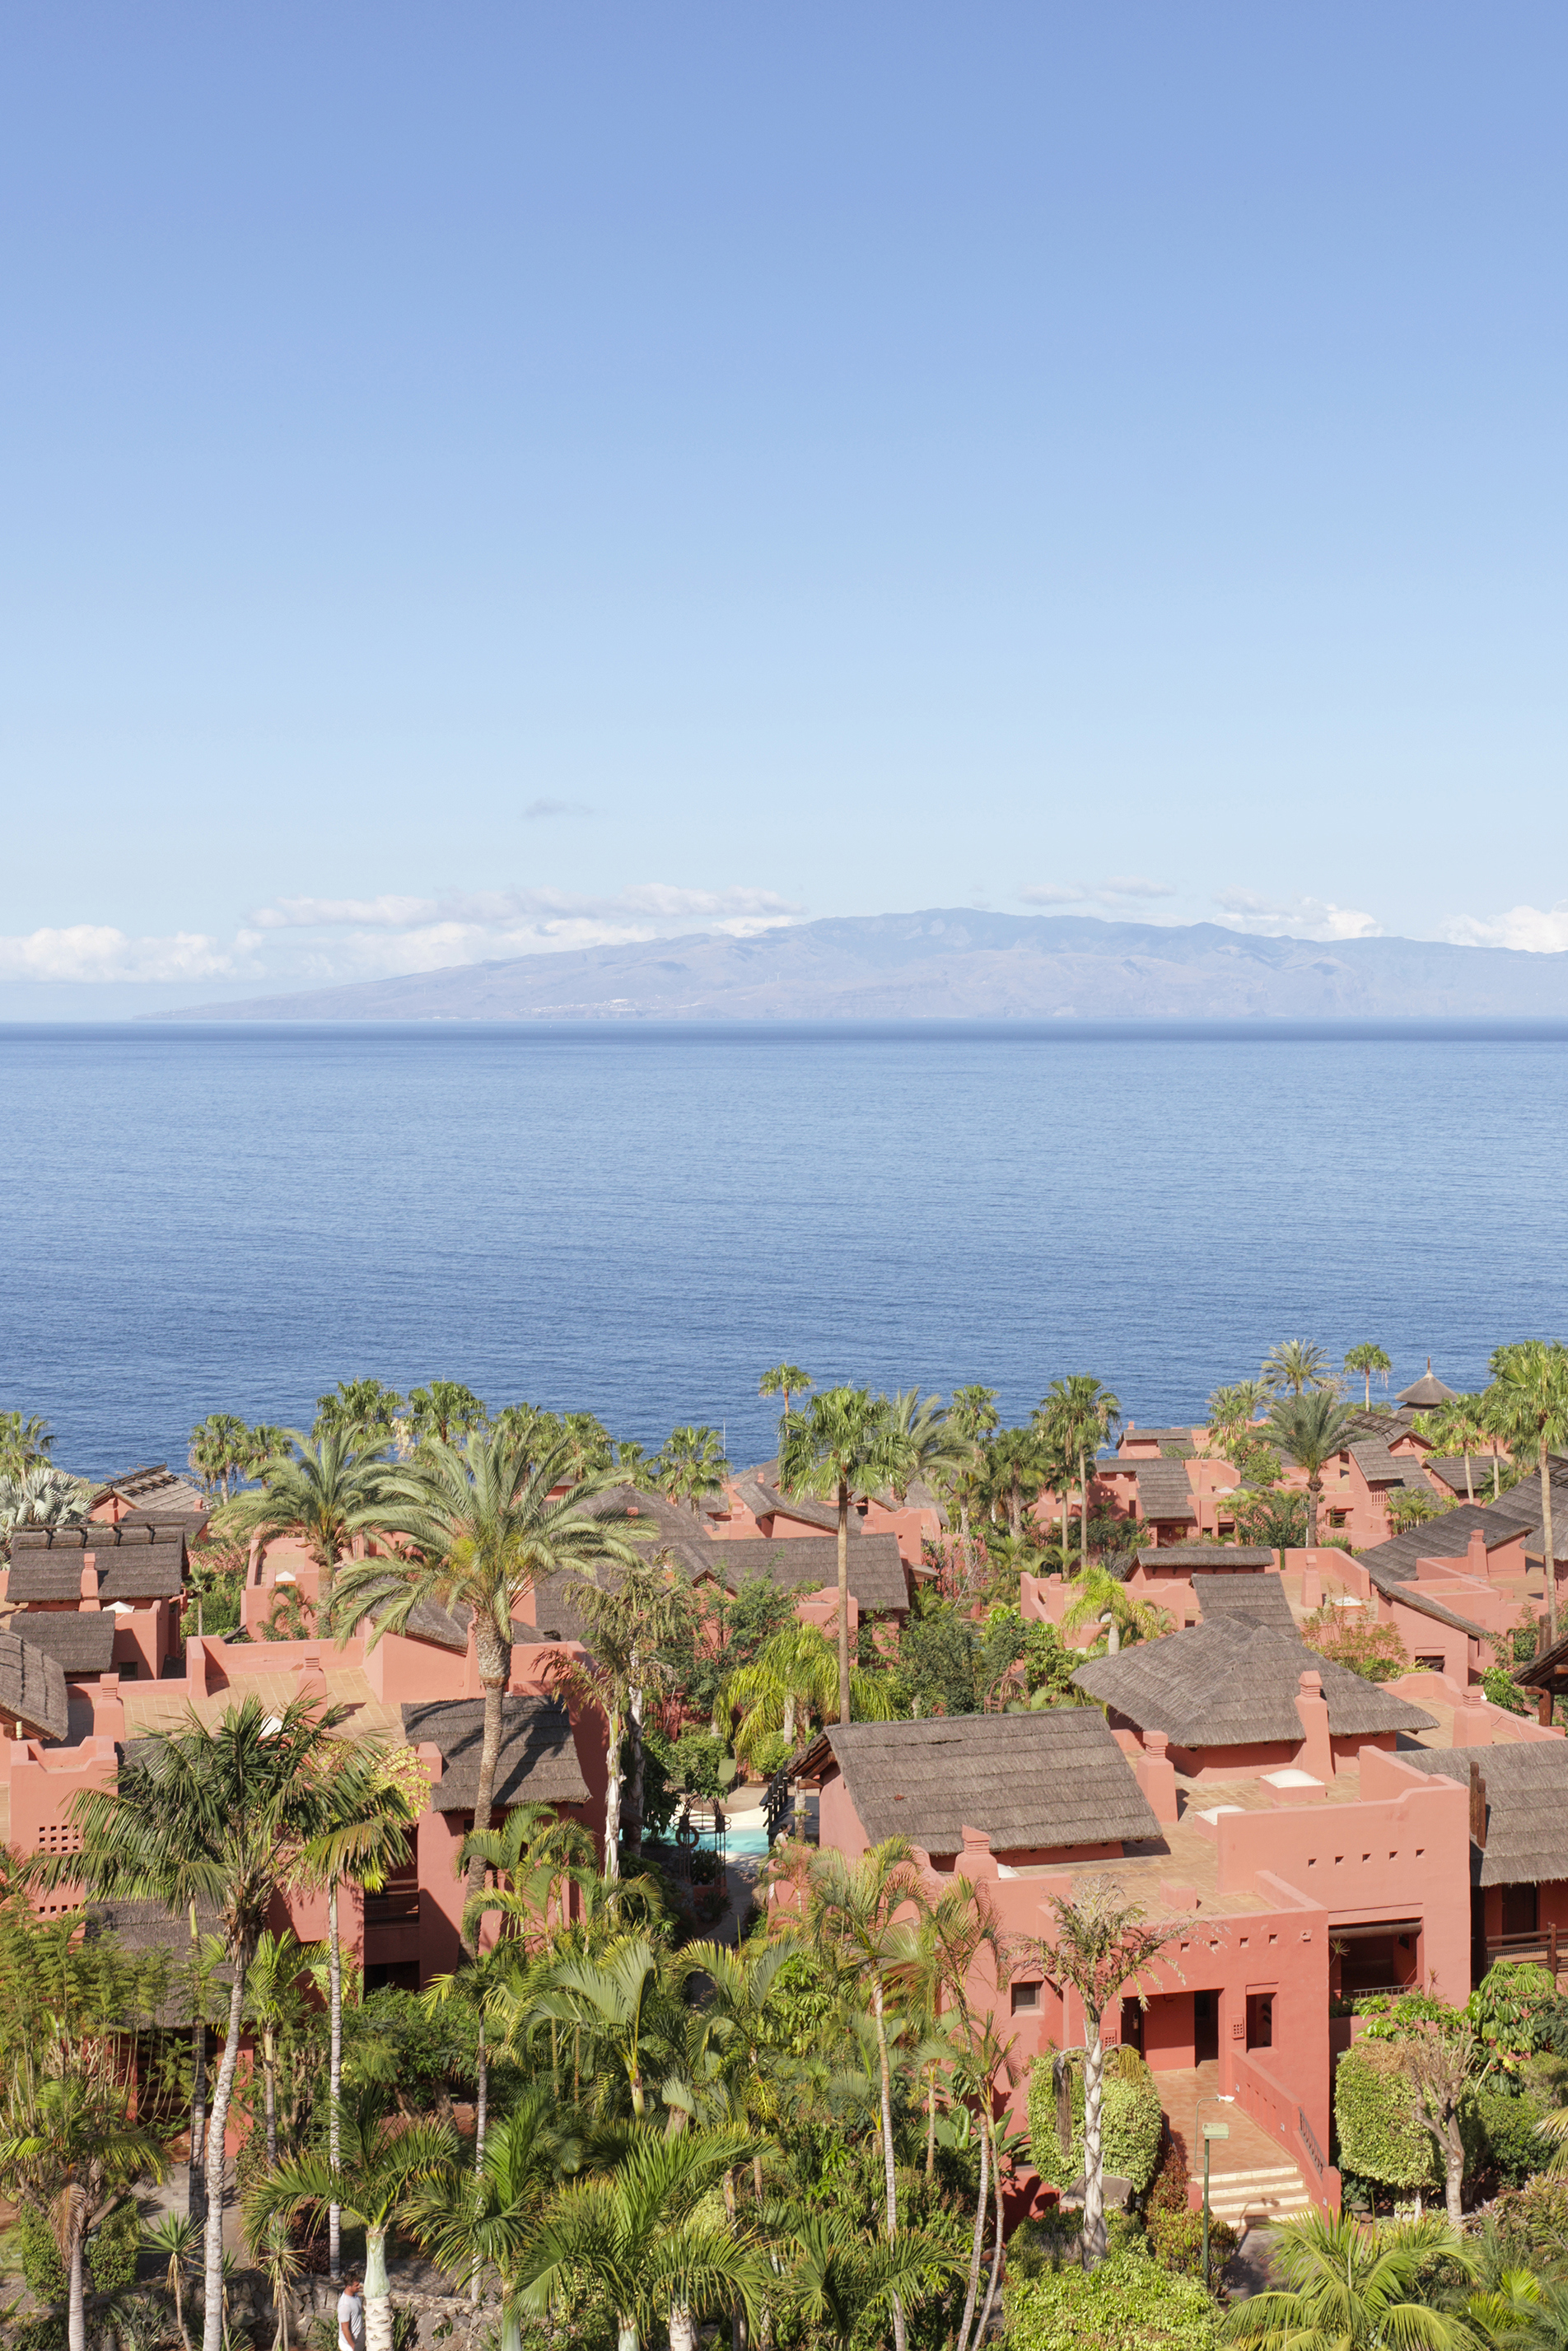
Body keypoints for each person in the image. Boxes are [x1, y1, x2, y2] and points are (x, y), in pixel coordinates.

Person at [337, 2272, 365, 2351]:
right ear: (348, 2287)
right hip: (349, 2345)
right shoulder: (345, 2305)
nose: (359, 2287)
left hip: (359, 2339)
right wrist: (354, 2347)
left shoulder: (355, 2295)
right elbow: (345, 2329)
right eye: (356, 2286)